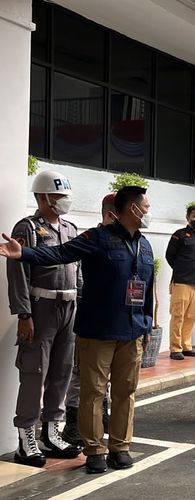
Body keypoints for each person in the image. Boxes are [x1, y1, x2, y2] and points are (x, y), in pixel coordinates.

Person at [1, 185, 155, 474]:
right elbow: (59, 253)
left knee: (126, 391)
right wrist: (24, 254)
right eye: (145, 207)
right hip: (98, 331)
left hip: (132, 332)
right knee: (93, 392)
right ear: (133, 209)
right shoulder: (97, 238)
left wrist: (147, 324)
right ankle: (95, 449)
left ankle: (120, 447)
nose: (148, 211)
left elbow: (147, 289)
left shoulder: (144, 244)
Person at [6, 170, 82, 466]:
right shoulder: (27, 228)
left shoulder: (71, 228)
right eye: (60, 196)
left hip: (70, 307)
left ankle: (51, 433)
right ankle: (26, 439)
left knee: (61, 372)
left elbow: (79, 270)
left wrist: (82, 304)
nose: (64, 201)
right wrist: (24, 313)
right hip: (41, 309)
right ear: (43, 197)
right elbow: (18, 274)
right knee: (34, 373)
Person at [62, 193, 117, 447]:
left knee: (105, 374)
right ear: (111, 213)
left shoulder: (128, 240)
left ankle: (101, 416)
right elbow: (78, 277)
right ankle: (73, 421)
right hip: (89, 316)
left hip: (115, 320)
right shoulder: (91, 239)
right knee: (80, 371)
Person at [166, 205, 195, 360]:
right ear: (188, 217)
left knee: (190, 316)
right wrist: (181, 270)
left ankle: (186, 346)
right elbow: (170, 256)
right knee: (178, 315)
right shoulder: (179, 235)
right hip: (181, 282)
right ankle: (175, 348)